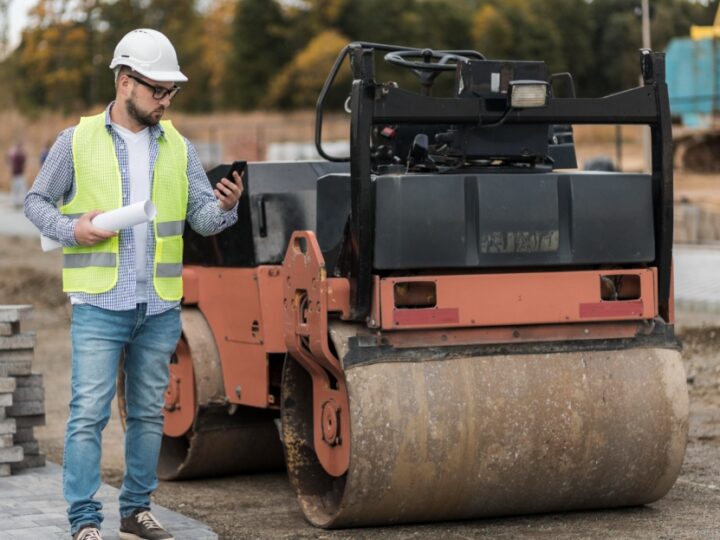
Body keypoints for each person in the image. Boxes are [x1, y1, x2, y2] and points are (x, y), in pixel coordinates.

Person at [24, 28, 243, 540]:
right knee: (87, 416)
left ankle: (136, 510)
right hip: (100, 302)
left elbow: (201, 221)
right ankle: (83, 521)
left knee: (148, 414)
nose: (166, 100)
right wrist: (71, 229)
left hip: (159, 306)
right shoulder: (75, 140)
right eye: (157, 90)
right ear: (125, 82)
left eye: (172, 92)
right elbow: (36, 203)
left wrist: (226, 208)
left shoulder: (179, 148)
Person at [7, 141, 27, 209]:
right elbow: (8, 158)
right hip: (15, 174)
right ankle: (15, 202)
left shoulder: (20, 155)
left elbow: (24, 158)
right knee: (15, 189)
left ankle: (23, 202)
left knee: (23, 189)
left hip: (20, 174)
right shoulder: (14, 154)